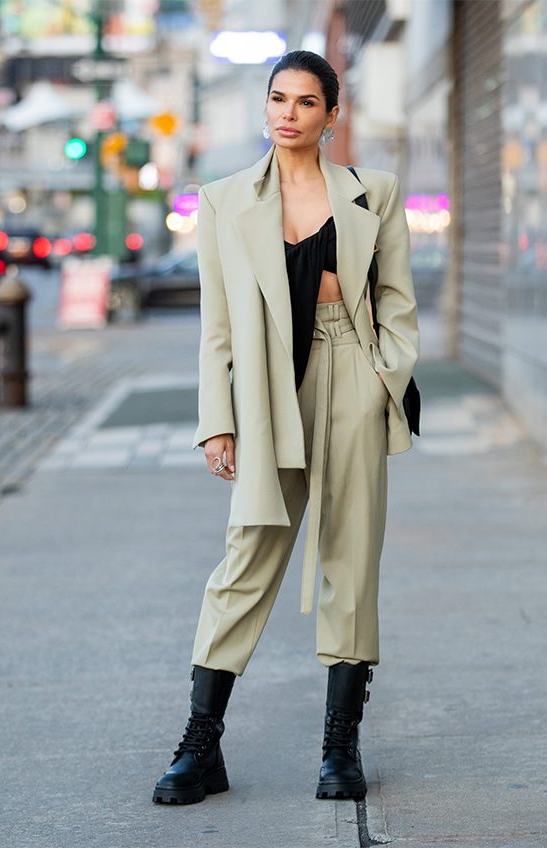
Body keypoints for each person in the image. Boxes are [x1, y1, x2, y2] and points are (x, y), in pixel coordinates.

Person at [152, 50, 419, 806]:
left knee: (350, 557)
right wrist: (217, 422)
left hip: (350, 372)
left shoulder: (376, 194)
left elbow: (397, 304)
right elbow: (218, 327)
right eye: (278, 98)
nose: (288, 113)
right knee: (248, 555)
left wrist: (379, 383)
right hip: (267, 389)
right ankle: (201, 746)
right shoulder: (225, 200)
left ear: (331, 115)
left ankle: (340, 749)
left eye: (306, 102)